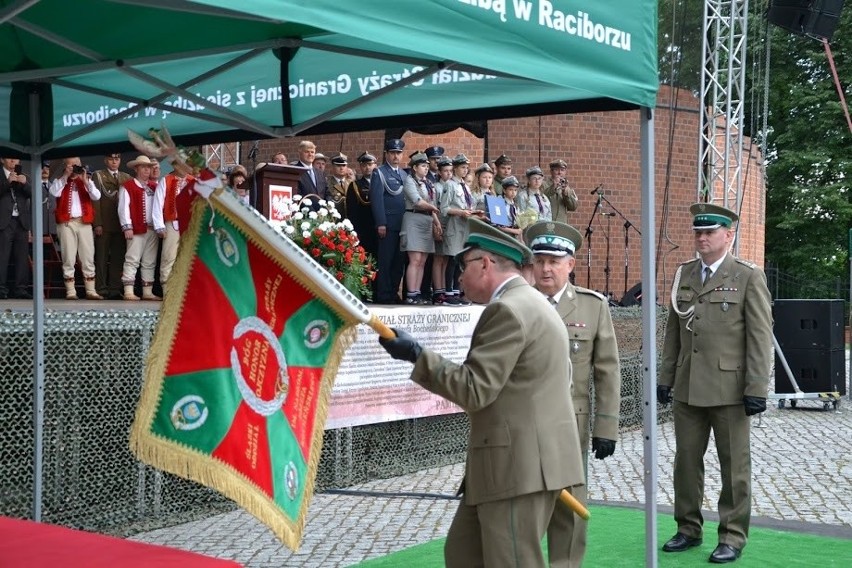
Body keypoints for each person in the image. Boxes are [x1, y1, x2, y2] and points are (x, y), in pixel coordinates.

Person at [378, 217, 585, 567]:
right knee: (464, 555)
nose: (457, 276)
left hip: (517, 469)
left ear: (485, 264)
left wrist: (417, 355)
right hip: (518, 465)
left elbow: (476, 390)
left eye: (463, 265)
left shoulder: (508, 309)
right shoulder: (532, 304)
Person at [658, 202, 773, 564]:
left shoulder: (747, 276)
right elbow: (673, 332)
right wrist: (665, 378)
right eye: (698, 232)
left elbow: (759, 336)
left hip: (730, 389)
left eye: (709, 232)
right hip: (689, 386)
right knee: (686, 463)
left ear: (729, 235)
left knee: (734, 466)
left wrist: (756, 387)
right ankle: (688, 528)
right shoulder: (685, 274)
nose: (702, 238)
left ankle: (733, 535)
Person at [525, 220, 621, 568]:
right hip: (523, 423)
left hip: (571, 423)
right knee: (525, 503)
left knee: (569, 503)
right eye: (540, 261)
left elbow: (607, 372)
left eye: (554, 261)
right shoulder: (518, 303)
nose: (546, 268)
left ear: (571, 264)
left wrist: (606, 427)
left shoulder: (592, 307)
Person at [49, 157, 102, 300]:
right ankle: (71, 291)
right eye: (71, 165)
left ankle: (91, 290)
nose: (75, 167)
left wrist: (86, 181)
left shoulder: (86, 181)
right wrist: (66, 175)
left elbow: (97, 196)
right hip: (67, 223)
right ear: (66, 166)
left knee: (87, 256)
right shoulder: (60, 180)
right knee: (68, 257)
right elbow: (54, 193)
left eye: (77, 165)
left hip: (84, 222)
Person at [370, 138, 408, 304]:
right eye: (393, 153)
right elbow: (377, 200)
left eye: (398, 153)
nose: (396, 156)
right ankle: (384, 294)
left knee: (399, 262)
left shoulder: (405, 174)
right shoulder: (379, 172)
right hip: (388, 224)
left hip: (403, 224)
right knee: (386, 261)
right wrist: (381, 223)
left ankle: (393, 292)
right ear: (386, 154)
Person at [400, 152, 441, 305]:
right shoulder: (410, 181)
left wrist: (436, 221)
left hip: (427, 220)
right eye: (423, 166)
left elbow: (432, 205)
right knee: (415, 259)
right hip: (414, 218)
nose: (425, 169)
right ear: (415, 167)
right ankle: (411, 293)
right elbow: (417, 201)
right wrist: (433, 209)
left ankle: (417, 292)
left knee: (423, 260)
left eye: (426, 166)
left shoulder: (429, 184)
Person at [118, 155, 160, 301]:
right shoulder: (128, 186)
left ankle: (147, 291)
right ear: (136, 169)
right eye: (143, 167)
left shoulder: (155, 187)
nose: (147, 170)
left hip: (152, 228)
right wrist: (127, 227)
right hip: (136, 228)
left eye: (148, 167)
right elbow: (123, 208)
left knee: (150, 261)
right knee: (132, 259)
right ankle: (128, 290)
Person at [92, 153, 132, 299]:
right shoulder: (98, 175)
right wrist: (97, 223)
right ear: (105, 160)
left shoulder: (126, 177)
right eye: (111, 159)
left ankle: (115, 289)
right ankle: (101, 288)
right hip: (104, 222)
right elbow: (95, 201)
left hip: (120, 224)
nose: (114, 162)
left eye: (117, 159)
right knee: (101, 257)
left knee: (118, 258)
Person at [152, 168, 196, 291]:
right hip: (172, 223)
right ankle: (167, 288)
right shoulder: (166, 180)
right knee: (169, 255)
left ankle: (184, 290)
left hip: (189, 225)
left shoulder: (193, 181)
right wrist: (159, 226)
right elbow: (158, 203)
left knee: (187, 256)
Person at [0, 156, 32, 299]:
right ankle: (1, 289)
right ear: (2, 160)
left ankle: (21, 289)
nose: (14, 162)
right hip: (4, 221)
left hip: (21, 221)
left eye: (16, 160)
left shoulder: (24, 176)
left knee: (22, 257)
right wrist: (7, 183)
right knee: (2, 257)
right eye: (10, 159)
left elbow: (34, 195)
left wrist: (25, 184)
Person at [348, 152, 378, 267]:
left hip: (379, 227)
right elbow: (352, 211)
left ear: (375, 165)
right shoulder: (355, 185)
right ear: (360, 167)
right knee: (364, 258)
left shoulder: (381, 182)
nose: (367, 167)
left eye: (370, 164)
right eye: (364, 165)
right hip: (363, 227)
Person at [542, 159, 579, 224]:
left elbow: (573, 207)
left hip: (562, 224)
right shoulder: (543, 184)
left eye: (562, 170)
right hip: (547, 222)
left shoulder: (567, 187)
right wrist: (553, 187)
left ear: (565, 172)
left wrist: (566, 193)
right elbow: (541, 199)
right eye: (556, 170)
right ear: (551, 171)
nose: (560, 172)